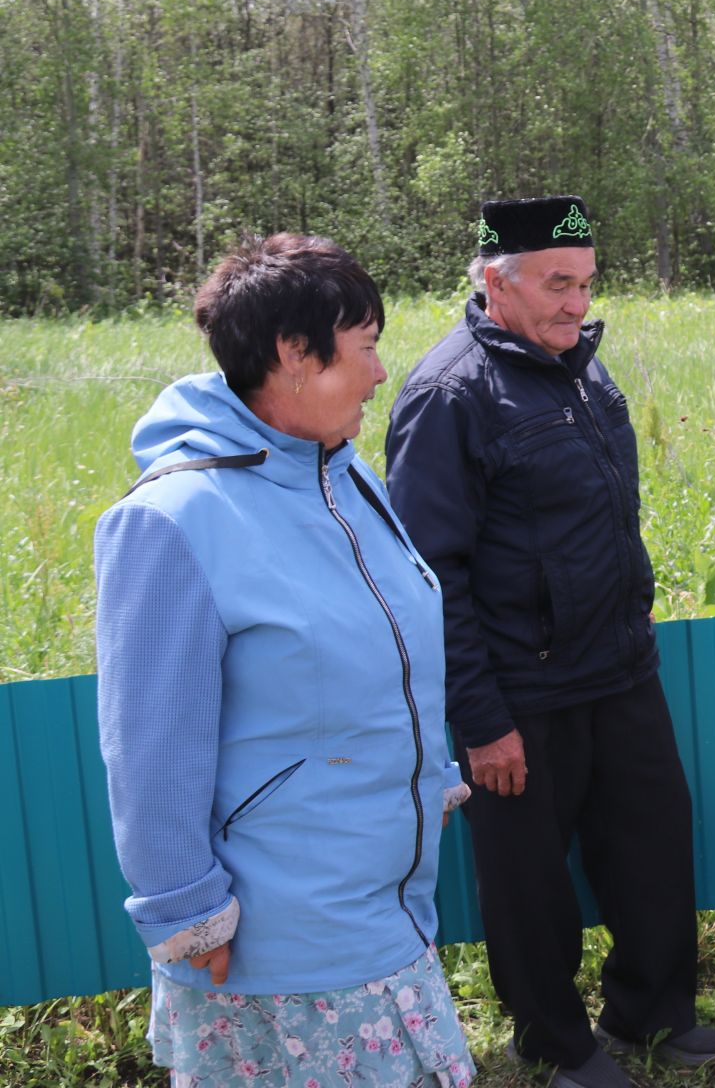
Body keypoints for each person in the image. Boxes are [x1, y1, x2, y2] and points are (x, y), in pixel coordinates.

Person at [93, 234, 476, 1088]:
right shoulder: (174, 519)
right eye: (366, 347)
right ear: (293, 355)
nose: (382, 374)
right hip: (281, 935)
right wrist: (189, 916)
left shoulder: (346, 478)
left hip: (385, 894)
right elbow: (149, 750)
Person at [385, 196, 715, 1088]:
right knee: (529, 884)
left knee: (653, 843)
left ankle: (652, 1011)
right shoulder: (449, 394)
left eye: (584, 284)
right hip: (520, 693)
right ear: (495, 283)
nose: (576, 304)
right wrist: (480, 716)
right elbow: (431, 574)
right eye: (556, 285)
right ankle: (556, 1044)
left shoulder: (582, 368)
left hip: (618, 666)